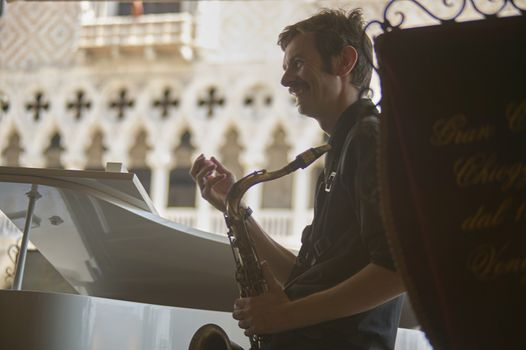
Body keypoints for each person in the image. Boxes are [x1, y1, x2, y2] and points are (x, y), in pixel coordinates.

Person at [190, 8, 405, 350]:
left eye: (298, 64)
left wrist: (283, 317)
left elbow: (399, 269)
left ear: (344, 62)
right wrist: (236, 210)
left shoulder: (368, 139)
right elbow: (305, 275)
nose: (286, 80)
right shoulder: (341, 148)